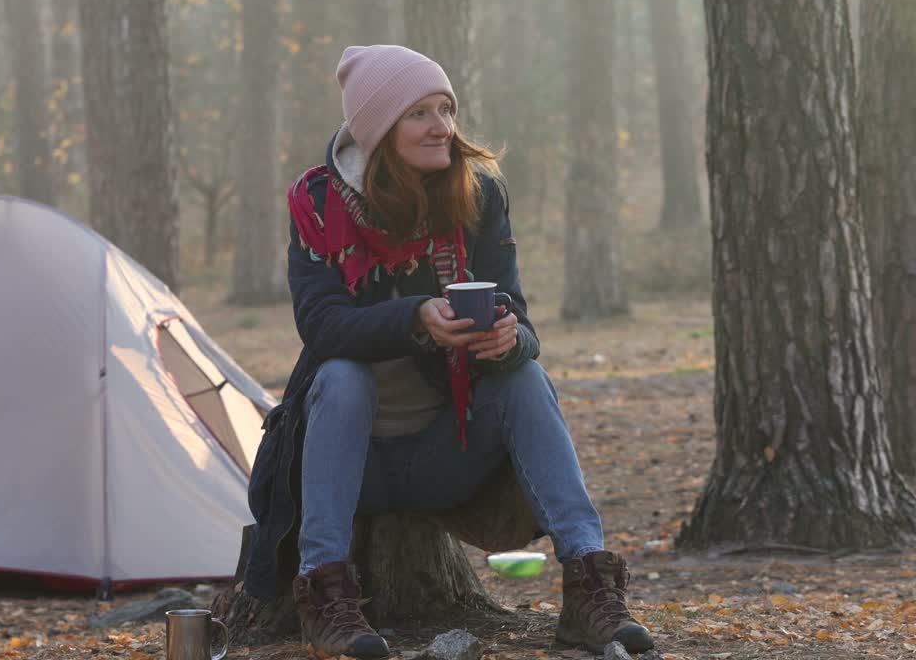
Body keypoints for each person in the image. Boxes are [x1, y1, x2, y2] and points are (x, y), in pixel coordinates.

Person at [243, 45, 654, 657]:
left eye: (446, 109)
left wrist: (509, 340)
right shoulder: (320, 203)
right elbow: (321, 326)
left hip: (448, 453)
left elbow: (520, 315)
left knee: (527, 378)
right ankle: (325, 597)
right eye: (419, 114)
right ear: (380, 129)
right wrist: (415, 317)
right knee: (343, 376)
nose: (442, 127)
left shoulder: (477, 193)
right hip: (349, 465)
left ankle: (590, 585)